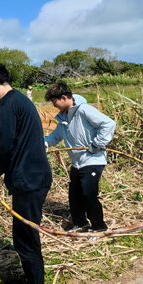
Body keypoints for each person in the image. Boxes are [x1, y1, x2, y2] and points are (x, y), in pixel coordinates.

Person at [0, 63, 52, 283]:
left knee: (25, 240)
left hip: (27, 180)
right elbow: (4, 132)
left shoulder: (6, 105)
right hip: (38, 176)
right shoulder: (20, 100)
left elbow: (4, 149)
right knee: (27, 236)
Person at [44, 82, 115, 235]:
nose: (54, 105)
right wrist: (42, 143)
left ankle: (99, 228)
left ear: (63, 97)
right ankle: (81, 224)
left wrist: (96, 144)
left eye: (54, 101)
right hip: (77, 162)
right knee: (74, 195)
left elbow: (108, 124)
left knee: (88, 194)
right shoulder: (64, 117)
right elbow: (56, 136)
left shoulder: (84, 110)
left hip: (92, 160)